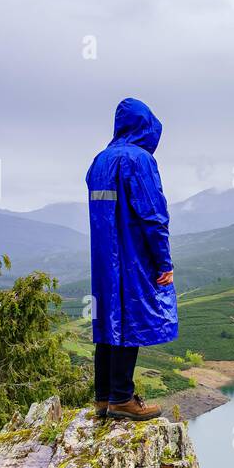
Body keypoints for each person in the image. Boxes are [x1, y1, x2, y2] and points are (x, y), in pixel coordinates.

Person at [86, 97, 177, 421]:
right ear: (146, 127)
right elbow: (153, 214)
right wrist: (163, 262)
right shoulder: (139, 160)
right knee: (130, 320)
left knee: (108, 319)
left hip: (103, 257)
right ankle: (123, 398)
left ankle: (103, 397)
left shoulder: (99, 161)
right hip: (132, 253)